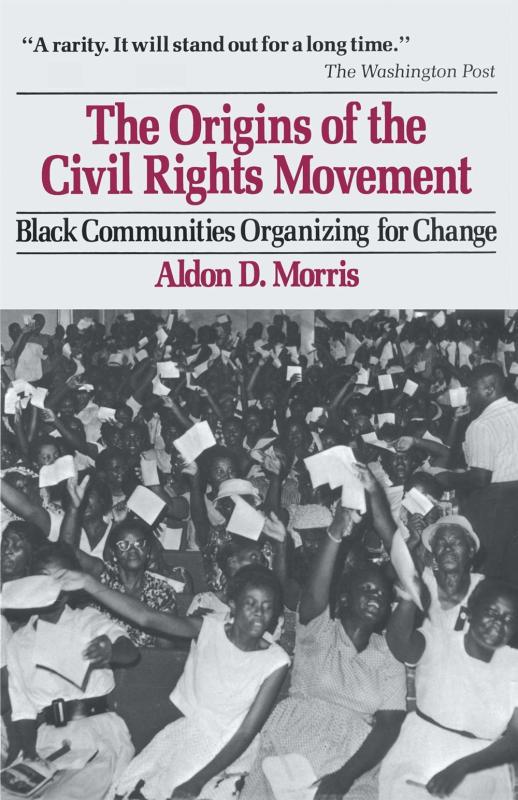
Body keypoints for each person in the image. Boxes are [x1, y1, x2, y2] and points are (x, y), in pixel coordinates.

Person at [57, 563, 290, 800]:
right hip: (187, 735)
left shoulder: (275, 661)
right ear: (233, 604)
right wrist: (89, 583)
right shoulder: (209, 628)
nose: (259, 613)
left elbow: (246, 732)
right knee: (132, 791)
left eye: (267, 607)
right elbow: (147, 618)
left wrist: (197, 781)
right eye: (250, 604)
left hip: (230, 750)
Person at [240, 506, 406, 800]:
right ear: (344, 597)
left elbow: (389, 726)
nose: (375, 597)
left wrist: (344, 777)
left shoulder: (387, 653)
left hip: (354, 760)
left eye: (381, 594)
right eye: (367, 589)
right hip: (295, 739)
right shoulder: (319, 629)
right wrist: (335, 533)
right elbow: (316, 592)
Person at [4, 542, 137, 800]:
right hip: (45, 740)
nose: (54, 587)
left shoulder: (87, 620)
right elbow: (22, 710)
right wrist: (29, 752)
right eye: (43, 579)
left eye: (62, 579)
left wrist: (109, 651)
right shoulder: (19, 641)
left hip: (96, 735)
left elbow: (129, 651)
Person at [381, 578, 518, 799]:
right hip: (421, 754)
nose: (498, 623)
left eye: (509, 619)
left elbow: (515, 739)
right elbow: (401, 644)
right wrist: (407, 599)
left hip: (483, 766)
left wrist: (462, 767)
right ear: (471, 612)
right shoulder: (440, 640)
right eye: (491, 612)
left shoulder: (515, 665)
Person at [435, 363, 518, 581]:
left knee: (488, 570)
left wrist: (446, 477)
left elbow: (481, 478)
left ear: (489, 390)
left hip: (495, 506)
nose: (468, 395)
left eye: (472, 390)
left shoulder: (482, 425)